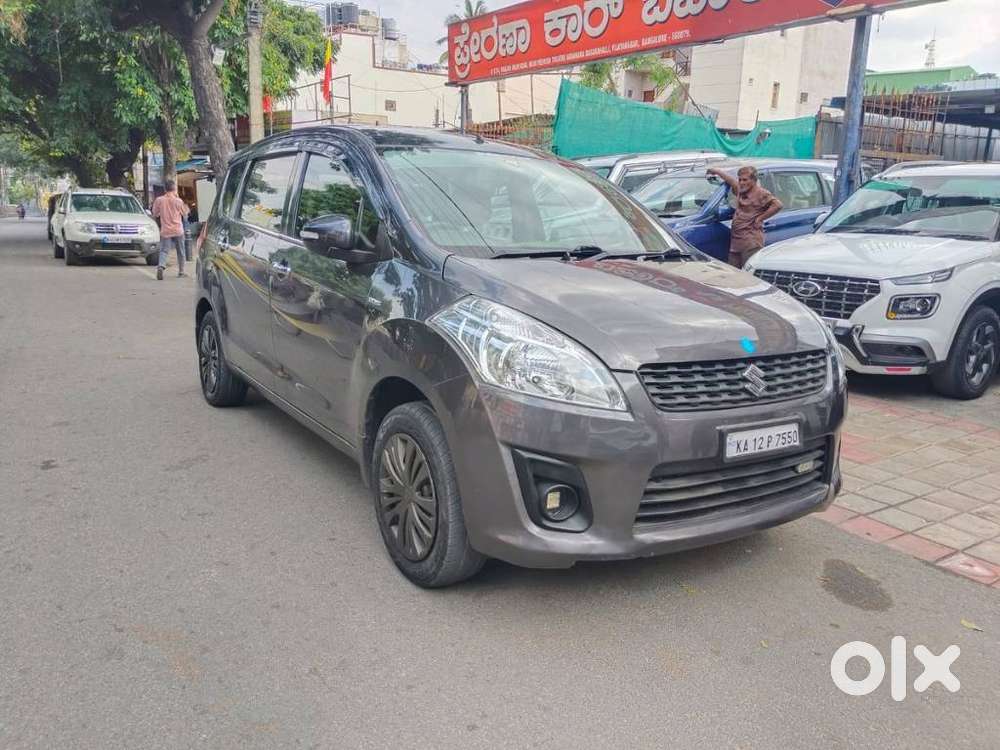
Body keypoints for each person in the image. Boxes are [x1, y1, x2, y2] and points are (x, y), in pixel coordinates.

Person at [706, 166, 783, 269]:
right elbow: (731, 180)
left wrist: (760, 218)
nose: (742, 182)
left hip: (750, 241)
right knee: (734, 272)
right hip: (737, 241)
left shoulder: (761, 193)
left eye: (745, 180)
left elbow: (778, 205)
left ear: (754, 180)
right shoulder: (741, 190)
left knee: (748, 272)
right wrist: (716, 171)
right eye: (740, 179)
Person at [151, 179, 190, 281]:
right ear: (174, 189)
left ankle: (161, 266)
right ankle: (181, 271)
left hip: (166, 230)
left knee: (164, 250)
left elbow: (155, 213)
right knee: (181, 251)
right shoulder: (178, 201)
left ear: (165, 189)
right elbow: (185, 214)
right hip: (178, 229)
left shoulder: (159, 200)